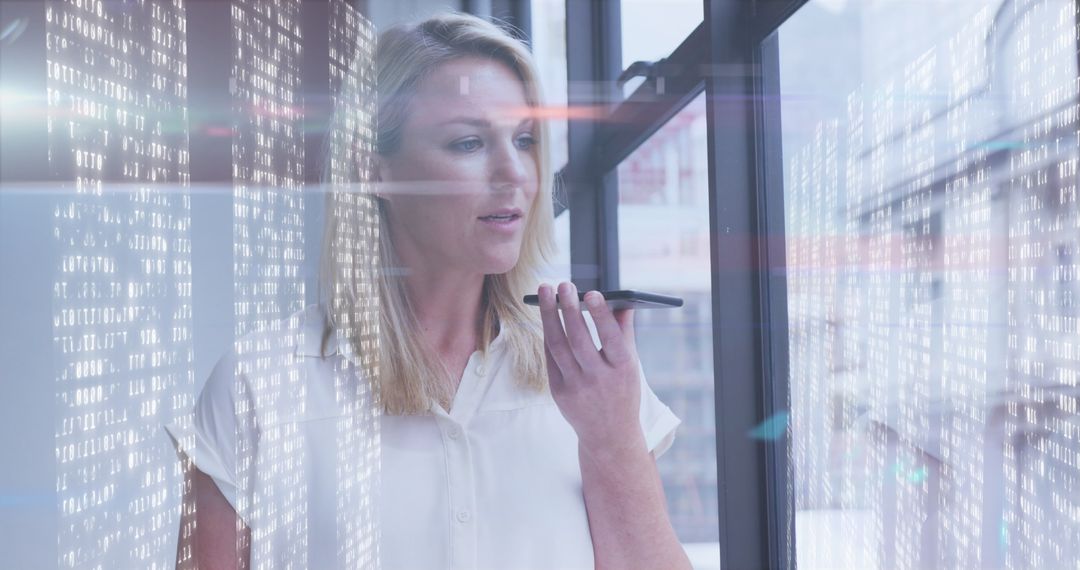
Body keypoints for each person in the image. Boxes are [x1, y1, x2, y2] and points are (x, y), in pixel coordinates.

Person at [167, 12, 689, 570]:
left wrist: (613, 442)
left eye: (525, 141)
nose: (514, 173)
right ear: (376, 171)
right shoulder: (259, 383)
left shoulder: (591, 378)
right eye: (468, 143)